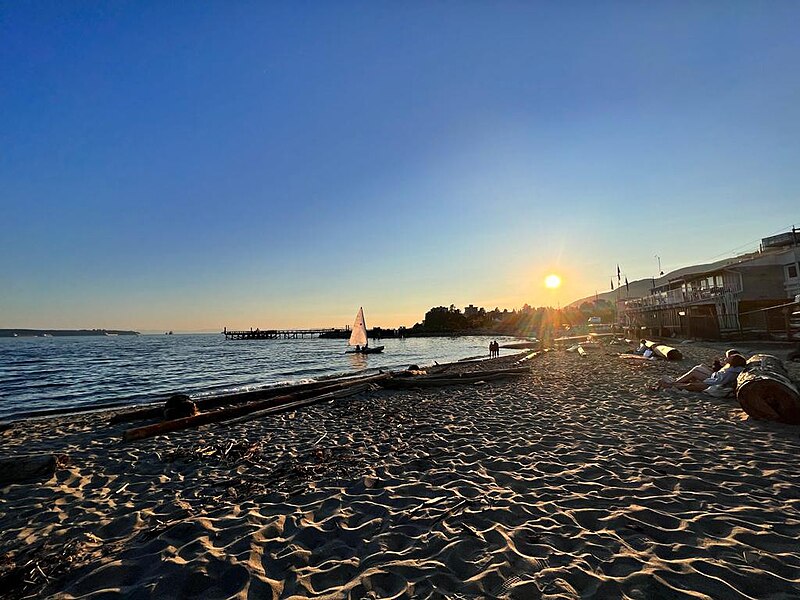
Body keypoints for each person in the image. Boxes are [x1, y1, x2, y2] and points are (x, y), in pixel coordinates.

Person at [657, 352, 747, 392]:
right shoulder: (732, 368)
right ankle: (674, 383)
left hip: (714, 383)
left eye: (729, 358)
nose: (727, 358)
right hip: (714, 379)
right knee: (698, 369)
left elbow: (720, 380)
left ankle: (671, 384)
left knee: (691, 384)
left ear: (734, 361)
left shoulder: (734, 370)